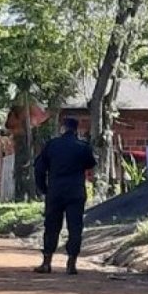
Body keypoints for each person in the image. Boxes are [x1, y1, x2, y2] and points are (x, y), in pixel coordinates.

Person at [33, 117, 97, 275]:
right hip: (76, 192)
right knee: (75, 227)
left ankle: (47, 263)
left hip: (55, 191)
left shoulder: (52, 145)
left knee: (52, 226)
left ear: (63, 128)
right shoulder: (83, 147)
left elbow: (39, 169)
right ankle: (71, 264)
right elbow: (90, 166)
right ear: (77, 130)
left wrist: (43, 188)